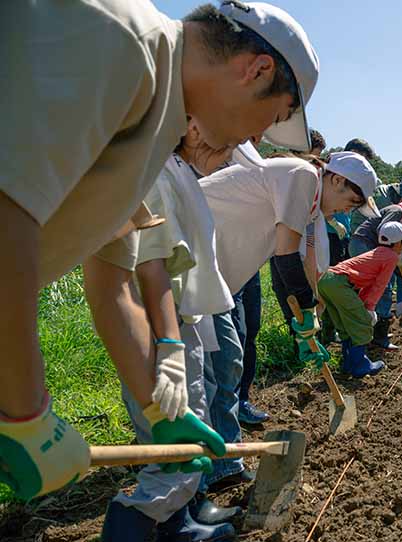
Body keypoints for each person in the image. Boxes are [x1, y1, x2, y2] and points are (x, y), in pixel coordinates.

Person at [0, 0, 318, 503]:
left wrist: (158, 409)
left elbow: (112, 284)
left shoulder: (152, 128)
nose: (257, 138)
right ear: (257, 69)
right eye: (271, 117)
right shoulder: (123, 42)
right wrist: (25, 412)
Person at [199, 151, 378, 493]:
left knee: (227, 364)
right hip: (189, 260)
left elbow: (299, 263)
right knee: (205, 376)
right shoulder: (303, 176)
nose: (347, 210)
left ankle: (223, 466)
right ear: (335, 179)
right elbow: (284, 258)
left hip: (216, 280)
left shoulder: (311, 204)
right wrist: (306, 313)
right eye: (350, 200)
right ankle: (192, 478)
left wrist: (308, 319)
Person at [101, 123, 239, 540]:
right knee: (176, 447)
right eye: (228, 143)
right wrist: (170, 348)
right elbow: (150, 265)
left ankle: (177, 526)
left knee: (177, 453)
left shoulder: (176, 169)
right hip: (165, 322)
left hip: (173, 322)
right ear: (196, 129)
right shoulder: (159, 173)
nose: (231, 157)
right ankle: (131, 522)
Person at [317, 222, 402, 377]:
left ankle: (348, 365)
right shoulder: (390, 257)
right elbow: (380, 285)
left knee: (345, 325)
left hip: (326, 280)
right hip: (339, 283)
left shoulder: (378, 252)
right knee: (362, 323)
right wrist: (368, 309)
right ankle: (361, 366)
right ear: (397, 242)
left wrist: (365, 305)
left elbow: (368, 285)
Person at [350, 191, 402, 349]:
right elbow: (385, 235)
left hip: (365, 244)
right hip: (364, 243)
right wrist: (393, 268)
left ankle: (372, 331)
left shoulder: (401, 216)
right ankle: (378, 336)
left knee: (378, 286)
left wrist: (400, 272)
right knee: (383, 286)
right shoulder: (397, 212)